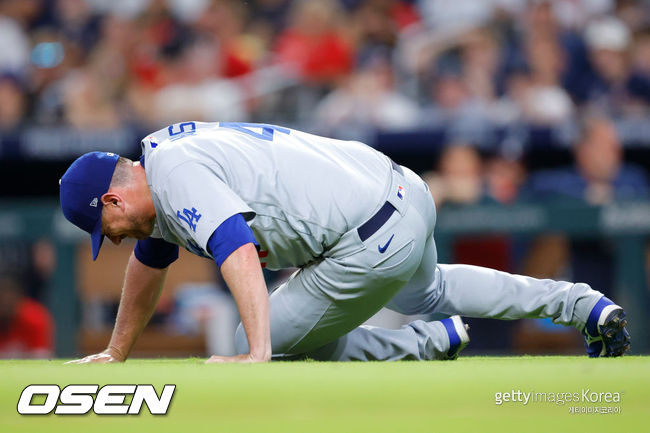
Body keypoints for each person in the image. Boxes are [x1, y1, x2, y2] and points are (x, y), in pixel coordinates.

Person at [60, 122, 630, 364]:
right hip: (404, 190)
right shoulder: (166, 162)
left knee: (258, 335)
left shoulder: (174, 174)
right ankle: (581, 304)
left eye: (101, 230)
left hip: (367, 237)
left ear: (111, 202)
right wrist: (117, 351)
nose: (108, 241)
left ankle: (419, 347)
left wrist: (256, 352)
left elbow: (233, 245)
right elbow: (149, 262)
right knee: (427, 294)